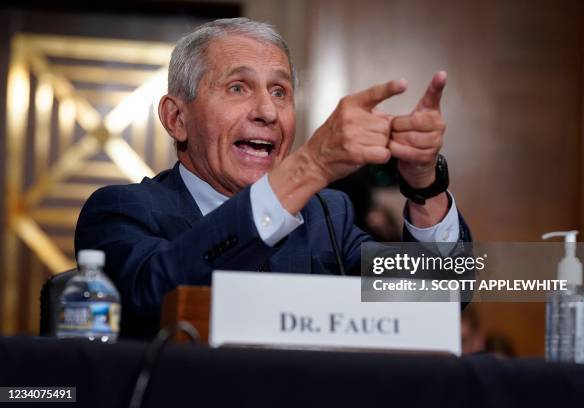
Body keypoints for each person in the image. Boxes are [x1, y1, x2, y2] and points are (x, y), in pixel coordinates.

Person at [75, 18, 471, 338]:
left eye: (280, 92)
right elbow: (153, 293)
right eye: (237, 87)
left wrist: (424, 183)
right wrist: (310, 167)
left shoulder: (327, 217)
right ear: (176, 119)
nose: (267, 111)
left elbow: (439, 295)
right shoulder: (122, 211)